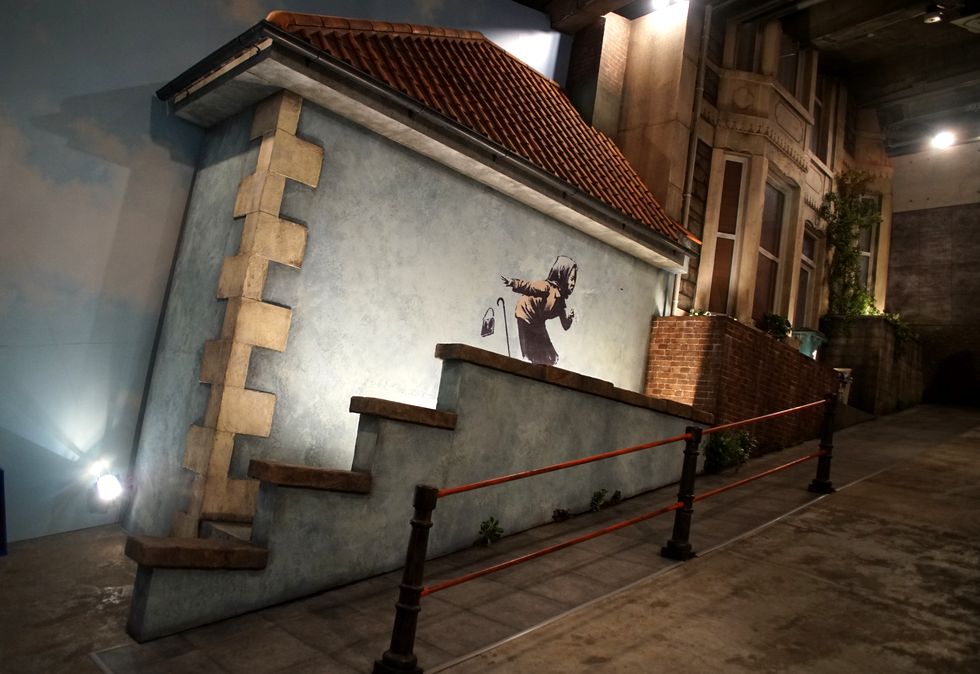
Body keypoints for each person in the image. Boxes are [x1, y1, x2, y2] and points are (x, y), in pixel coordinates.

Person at [501, 255, 577, 365]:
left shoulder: (561, 302)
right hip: (526, 315)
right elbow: (529, 286)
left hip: (538, 322)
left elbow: (565, 325)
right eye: (571, 278)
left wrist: (570, 317)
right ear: (563, 275)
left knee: (552, 357)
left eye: (575, 280)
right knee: (532, 355)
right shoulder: (547, 287)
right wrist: (513, 283)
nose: (573, 283)